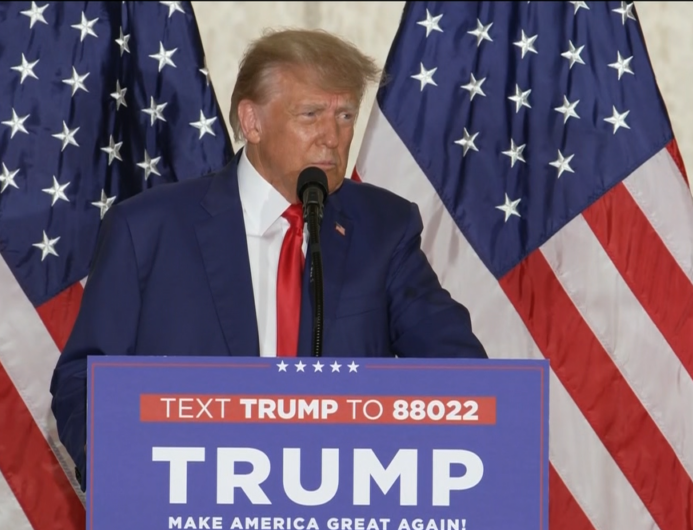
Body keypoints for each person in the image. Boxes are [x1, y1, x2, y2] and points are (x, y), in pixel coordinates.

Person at [50, 28, 487, 490]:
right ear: (252, 122)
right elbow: (85, 379)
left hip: (341, 510)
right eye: (311, 114)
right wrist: (124, 475)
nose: (332, 137)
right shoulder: (148, 229)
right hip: (188, 508)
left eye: (345, 115)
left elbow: (459, 373)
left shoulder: (384, 227)